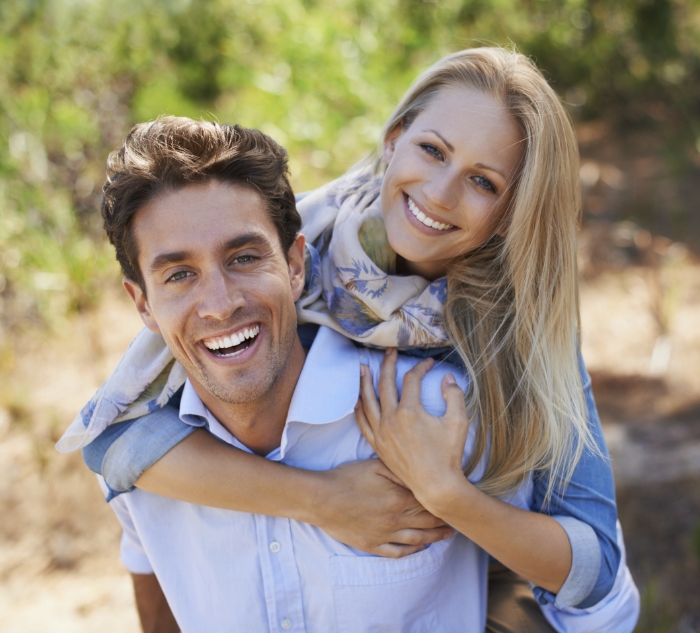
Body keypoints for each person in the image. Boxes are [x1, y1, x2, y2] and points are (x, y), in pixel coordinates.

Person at [58, 48, 639, 631]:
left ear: (516, 210)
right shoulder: (307, 251)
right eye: (432, 150)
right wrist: (323, 500)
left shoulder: (516, 342)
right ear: (393, 140)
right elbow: (112, 443)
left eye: (483, 182)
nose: (438, 193)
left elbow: (598, 574)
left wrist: (445, 493)